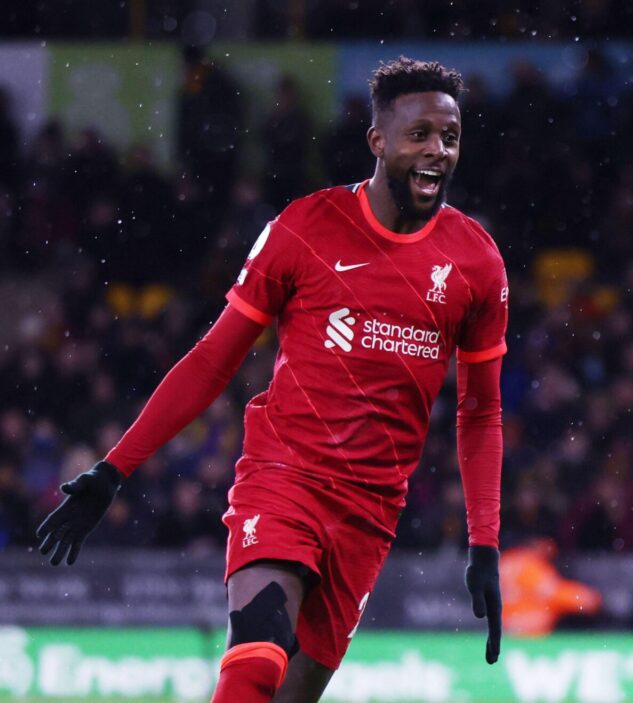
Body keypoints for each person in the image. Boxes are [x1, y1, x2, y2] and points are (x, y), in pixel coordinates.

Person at [36, 57, 507, 703]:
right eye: (419, 134)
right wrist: (114, 468)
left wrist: (484, 542)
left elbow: (480, 412)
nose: (437, 151)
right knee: (257, 657)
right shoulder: (305, 228)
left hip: (372, 511)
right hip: (284, 478)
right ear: (378, 141)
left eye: (449, 137)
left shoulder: (476, 259)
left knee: (288, 695)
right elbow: (211, 359)